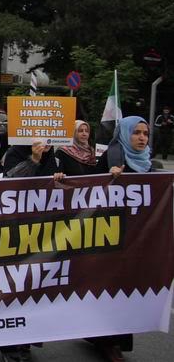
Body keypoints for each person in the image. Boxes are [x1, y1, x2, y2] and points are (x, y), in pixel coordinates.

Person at [92, 116, 153, 362]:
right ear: (125, 134)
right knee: (111, 287)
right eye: (136, 132)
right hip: (110, 236)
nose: (141, 138)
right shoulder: (111, 158)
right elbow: (90, 189)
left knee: (129, 288)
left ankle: (113, 338)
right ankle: (107, 341)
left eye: (145, 133)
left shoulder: (147, 163)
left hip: (138, 238)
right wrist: (109, 176)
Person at [0, 140, 64, 362]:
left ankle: (25, 340)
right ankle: (8, 345)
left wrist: (60, 180)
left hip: (42, 232)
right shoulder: (15, 152)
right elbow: (10, 181)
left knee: (34, 286)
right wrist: (33, 160)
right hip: (15, 231)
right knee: (12, 286)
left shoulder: (54, 156)